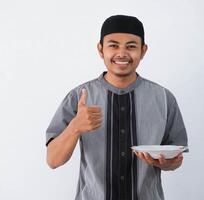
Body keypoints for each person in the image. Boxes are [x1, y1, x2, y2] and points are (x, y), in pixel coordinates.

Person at [45, 15, 188, 200]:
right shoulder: (79, 96)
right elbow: (53, 160)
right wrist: (75, 127)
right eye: (113, 45)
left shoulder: (164, 98)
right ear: (100, 49)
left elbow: (176, 159)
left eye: (131, 46)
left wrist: (165, 163)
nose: (122, 53)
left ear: (143, 51)